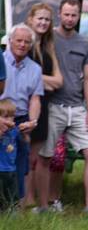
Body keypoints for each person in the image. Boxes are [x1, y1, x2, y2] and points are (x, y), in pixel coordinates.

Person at [35, 0, 88, 214]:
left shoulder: (85, 44)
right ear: (59, 14)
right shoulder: (48, 37)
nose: (70, 19)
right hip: (53, 106)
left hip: (78, 107)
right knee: (45, 155)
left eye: (74, 15)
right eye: (66, 14)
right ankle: (44, 206)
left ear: (79, 16)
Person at [22, 3, 63, 208]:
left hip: (44, 106)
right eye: (39, 18)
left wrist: (37, 78)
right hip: (24, 104)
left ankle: (36, 201)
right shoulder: (23, 44)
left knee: (36, 156)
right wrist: (43, 82)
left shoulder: (48, 47)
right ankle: (25, 200)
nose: (43, 22)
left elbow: (58, 81)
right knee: (25, 156)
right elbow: (21, 77)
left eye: (47, 19)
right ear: (30, 19)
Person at [1, 24, 43, 200]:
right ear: (10, 41)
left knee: (20, 161)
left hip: (21, 119)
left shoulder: (35, 69)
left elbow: (35, 98)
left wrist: (32, 121)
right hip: (1, 116)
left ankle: (15, 204)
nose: (22, 44)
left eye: (27, 42)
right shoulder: (0, 61)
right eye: (18, 40)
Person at [0, 99, 23, 210]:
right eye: (5, 117)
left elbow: (21, 130)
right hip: (0, 170)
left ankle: (14, 210)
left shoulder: (13, 131)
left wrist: (29, 126)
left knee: (13, 193)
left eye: (12, 116)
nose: (9, 120)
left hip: (11, 169)